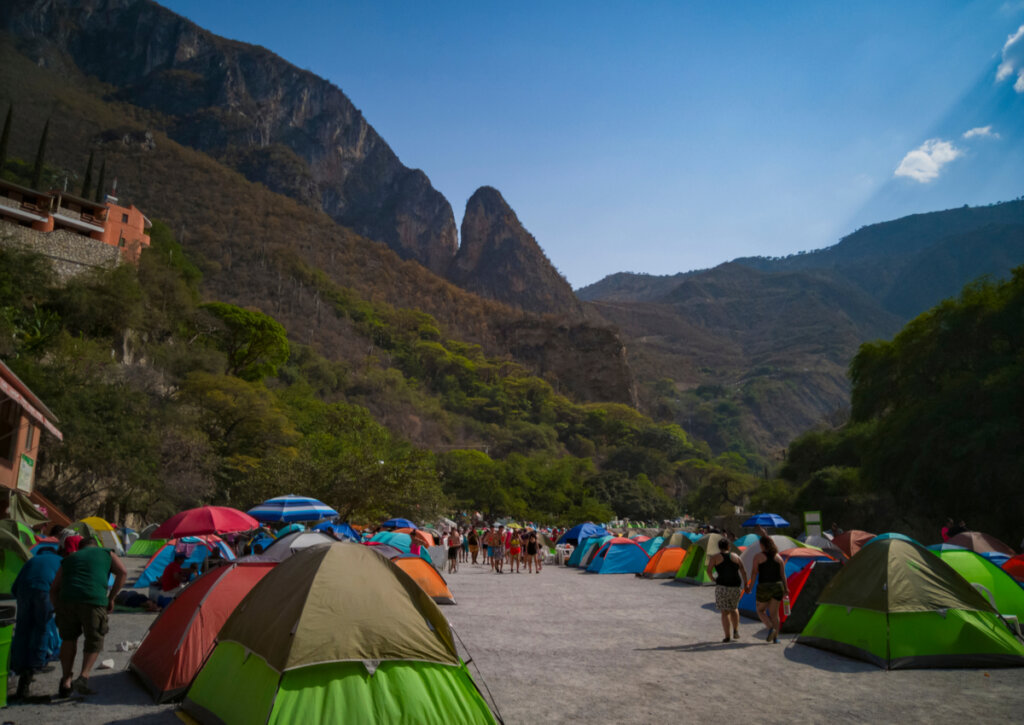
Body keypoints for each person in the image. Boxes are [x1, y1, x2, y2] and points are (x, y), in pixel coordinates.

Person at [50, 537, 127, 696]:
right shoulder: (106, 553)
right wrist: (111, 598)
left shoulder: (69, 558)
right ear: (96, 545)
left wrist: (58, 608)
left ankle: (65, 681)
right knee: (94, 639)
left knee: (68, 639)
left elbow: (53, 589)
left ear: (80, 548)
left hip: (67, 600)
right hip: (93, 600)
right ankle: (83, 676)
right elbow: (123, 572)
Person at [10, 544, 62, 699]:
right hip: (45, 591)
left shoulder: (31, 561)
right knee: (42, 627)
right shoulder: (60, 560)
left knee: (22, 628)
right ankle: (36, 664)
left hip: (24, 590)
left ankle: (19, 664)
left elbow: (14, 588)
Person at [706, 538, 748, 643]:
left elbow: (709, 570)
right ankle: (736, 630)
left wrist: (713, 579)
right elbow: (743, 571)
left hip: (722, 586)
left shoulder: (715, 557)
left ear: (719, 547)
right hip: (735, 585)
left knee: (724, 612)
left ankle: (727, 636)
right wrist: (746, 584)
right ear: (728, 546)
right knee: (734, 608)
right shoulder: (736, 556)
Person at [747, 536, 788, 643]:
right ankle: (776, 638)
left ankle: (770, 628)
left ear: (762, 545)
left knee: (760, 610)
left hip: (764, 587)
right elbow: (783, 575)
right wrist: (786, 588)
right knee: (774, 614)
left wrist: (750, 587)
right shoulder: (778, 558)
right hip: (778, 586)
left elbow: (754, 573)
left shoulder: (758, 557)